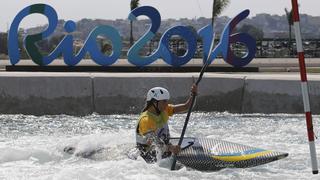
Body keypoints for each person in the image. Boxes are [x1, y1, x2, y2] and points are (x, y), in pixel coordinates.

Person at [136, 84, 198, 163]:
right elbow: (154, 143)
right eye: (164, 101)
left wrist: (193, 95)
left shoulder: (164, 109)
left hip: (164, 151)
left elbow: (186, 106)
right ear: (155, 102)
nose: (166, 104)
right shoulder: (146, 120)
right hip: (147, 157)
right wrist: (171, 148)